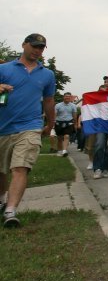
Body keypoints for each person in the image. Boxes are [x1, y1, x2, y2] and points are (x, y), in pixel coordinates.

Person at [0, 33, 56, 228]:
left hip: (30, 127)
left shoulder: (47, 74)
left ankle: (10, 210)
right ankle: (2, 199)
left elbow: (49, 101)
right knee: (2, 170)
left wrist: (50, 124)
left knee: (20, 167)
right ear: (24, 45)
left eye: (41, 48)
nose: (37, 50)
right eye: (34, 46)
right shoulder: (4, 69)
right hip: (3, 128)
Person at [54, 92, 78, 157]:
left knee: (67, 136)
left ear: (70, 98)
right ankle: (59, 151)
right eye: (66, 96)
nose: (67, 98)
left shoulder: (73, 106)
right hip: (59, 122)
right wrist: (53, 122)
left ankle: (64, 150)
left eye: (69, 97)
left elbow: (75, 115)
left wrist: (75, 124)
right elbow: (55, 114)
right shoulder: (58, 105)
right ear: (63, 97)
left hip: (69, 122)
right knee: (59, 138)